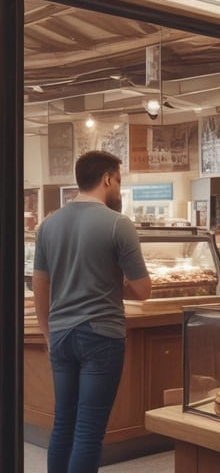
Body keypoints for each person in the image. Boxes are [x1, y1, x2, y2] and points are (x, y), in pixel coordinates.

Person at [32, 150, 152, 473]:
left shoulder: (48, 225)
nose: (119, 189)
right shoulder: (118, 225)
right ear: (107, 179)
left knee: (63, 424)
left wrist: (47, 333)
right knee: (89, 431)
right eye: (119, 181)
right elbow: (143, 290)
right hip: (102, 335)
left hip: (60, 334)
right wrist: (113, 283)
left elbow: (39, 288)